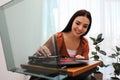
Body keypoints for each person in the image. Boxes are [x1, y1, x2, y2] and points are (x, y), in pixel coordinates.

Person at [29, 9, 93, 80]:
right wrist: (40, 52)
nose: (80, 28)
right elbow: (36, 57)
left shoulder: (84, 42)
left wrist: (83, 61)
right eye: (77, 23)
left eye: (85, 26)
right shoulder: (57, 37)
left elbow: (86, 67)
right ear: (72, 22)